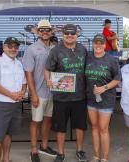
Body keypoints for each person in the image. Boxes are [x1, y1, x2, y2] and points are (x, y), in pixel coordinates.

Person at [44, 24, 88, 162]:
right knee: (60, 126)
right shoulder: (55, 50)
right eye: (67, 34)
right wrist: (48, 80)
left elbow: (89, 67)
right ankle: (61, 153)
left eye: (72, 34)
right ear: (63, 35)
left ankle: (80, 150)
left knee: (80, 126)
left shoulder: (83, 49)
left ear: (76, 35)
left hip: (80, 96)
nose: (69, 36)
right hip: (61, 96)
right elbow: (47, 69)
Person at [0, 37, 27, 162]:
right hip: (0, 105)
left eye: (15, 46)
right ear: (4, 47)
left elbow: (24, 83)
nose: (13, 49)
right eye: (10, 46)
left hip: (15, 104)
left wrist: (22, 92)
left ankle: (6, 159)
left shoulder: (19, 63)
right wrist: (11, 95)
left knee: (8, 134)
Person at [22, 19, 58, 162]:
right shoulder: (31, 49)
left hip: (53, 92)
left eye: (47, 30)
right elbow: (28, 73)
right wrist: (33, 94)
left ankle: (44, 146)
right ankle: (33, 150)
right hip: (39, 92)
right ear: (38, 32)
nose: (44, 32)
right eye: (42, 30)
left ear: (51, 32)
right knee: (36, 122)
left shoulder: (55, 48)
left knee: (48, 120)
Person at [85, 34, 121, 162]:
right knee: (94, 127)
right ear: (93, 44)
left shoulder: (111, 59)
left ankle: (104, 158)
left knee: (103, 129)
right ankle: (96, 156)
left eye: (101, 43)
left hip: (106, 100)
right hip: (91, 99)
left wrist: (104, 88)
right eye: (96, 43)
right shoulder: (88, 58)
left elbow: (117, 79)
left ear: (105, 45)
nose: (98, 45)